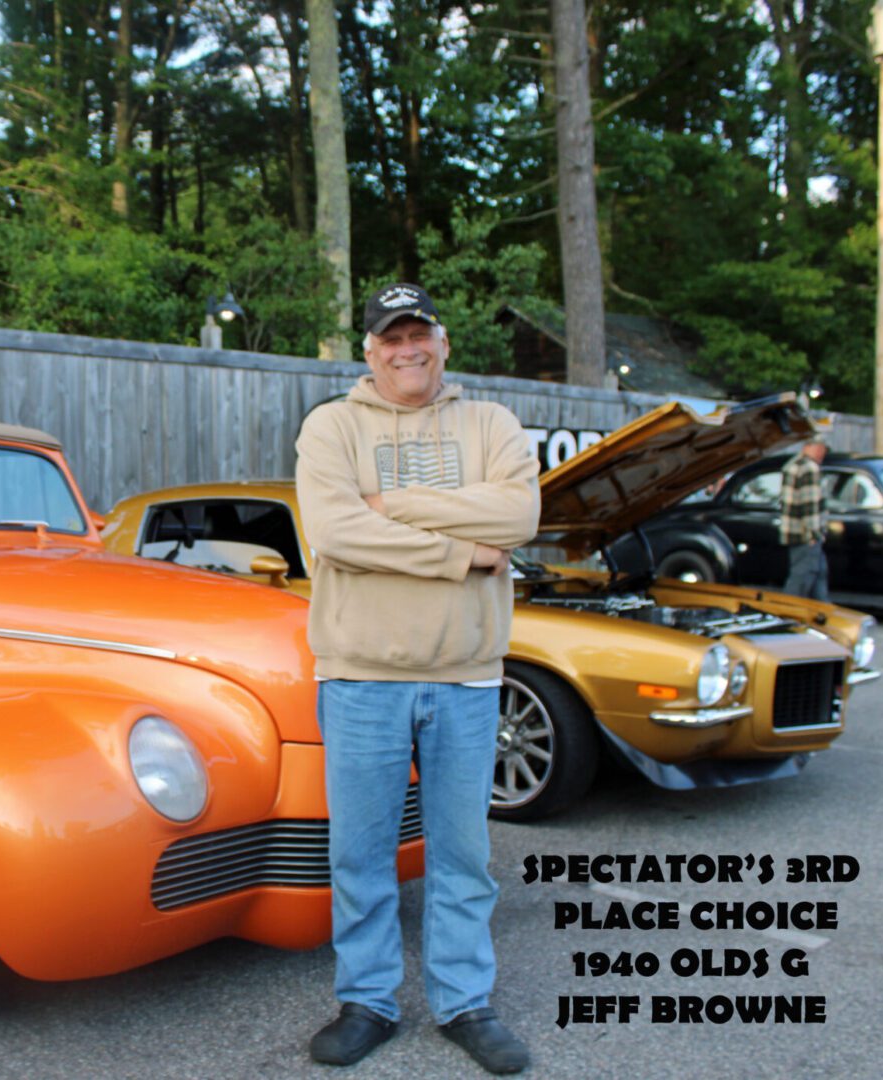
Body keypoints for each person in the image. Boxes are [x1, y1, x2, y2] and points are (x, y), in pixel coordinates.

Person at [295, 283, 540, 1075]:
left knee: (463, 856)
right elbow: (333, 530)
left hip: (467, 678)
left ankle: (464, 1002)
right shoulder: (331, 426)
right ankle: (367, 999)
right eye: (391, 338)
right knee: (361, 854)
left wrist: (388, 505)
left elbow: (518, 520)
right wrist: (459, 551)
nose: (408, 350)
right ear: (370, 351)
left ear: (443, 341)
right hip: (361, 676)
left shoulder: (491, 424)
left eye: (420, 335)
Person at [778, 438, 828, 600]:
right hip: (805, 534)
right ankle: (788, 613)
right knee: (801, 579)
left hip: (791, 530)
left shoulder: (792, 465)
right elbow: (810, 505)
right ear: (814, 447)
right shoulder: (809, 468)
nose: (823, 453)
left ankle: (822, 613)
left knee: (817, 576)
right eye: (822, 448)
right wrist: (814, 534)